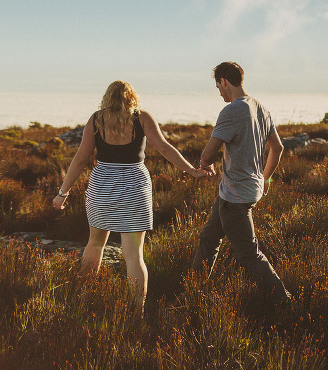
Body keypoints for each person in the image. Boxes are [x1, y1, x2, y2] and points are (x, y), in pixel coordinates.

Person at [52, 80, 211, 316]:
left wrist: (61, 194)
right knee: (134, 255)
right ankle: (136, 313)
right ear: (131, 98)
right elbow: (165, 149)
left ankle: (82, 302)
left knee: (94, 244)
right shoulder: (142, 118)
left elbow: (80, 159)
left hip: (102, 185)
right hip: (134, 187)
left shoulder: (96, 119)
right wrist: (193, 171)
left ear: (107, 98)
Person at [192, 61, 291, 305]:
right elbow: (277, 148)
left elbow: (207, 153)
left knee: (250, 255)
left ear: (224, 81)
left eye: (218, 87)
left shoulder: (232, 111)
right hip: (239, 192)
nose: (220, 93)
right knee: (209, 238)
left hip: (235, 197)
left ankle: (285, 302)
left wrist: (207, 164)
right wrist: (266, 178)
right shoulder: (262, 109)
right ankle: (193, 292)